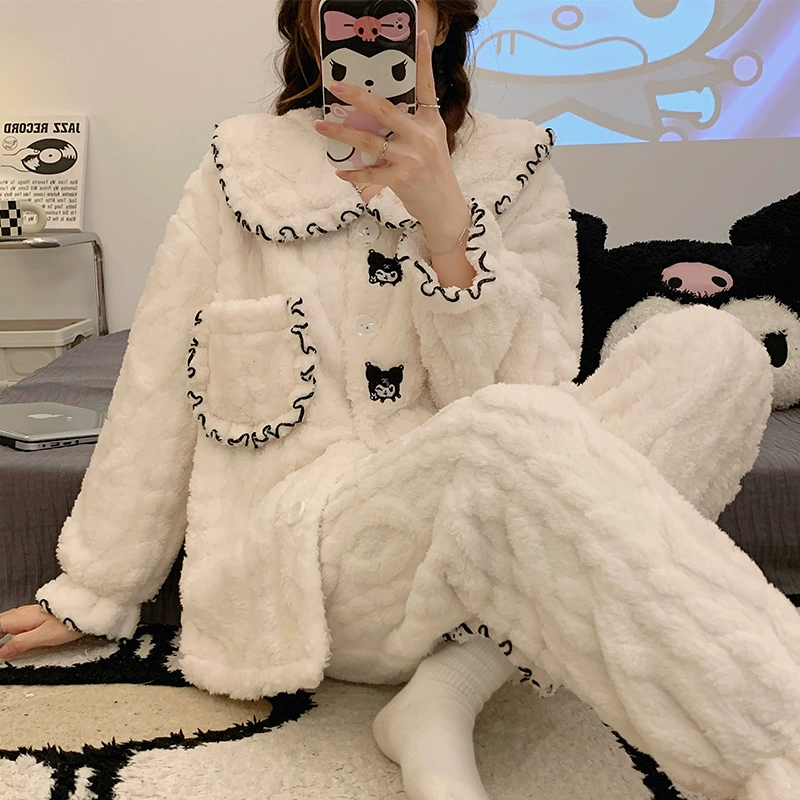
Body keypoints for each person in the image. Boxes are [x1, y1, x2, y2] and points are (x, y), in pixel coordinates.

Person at [1, 2, 799, 798]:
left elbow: (543, 403)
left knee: (716, 351)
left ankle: (450, 688)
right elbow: (158, 376)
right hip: (322, 559)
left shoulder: (516, 164)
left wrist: (449, 226)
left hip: (490, 522)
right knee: (502, 433)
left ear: (440, 24)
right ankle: (776, 747)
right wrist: (96, 586)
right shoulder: (241, 167)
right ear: (310, 24)